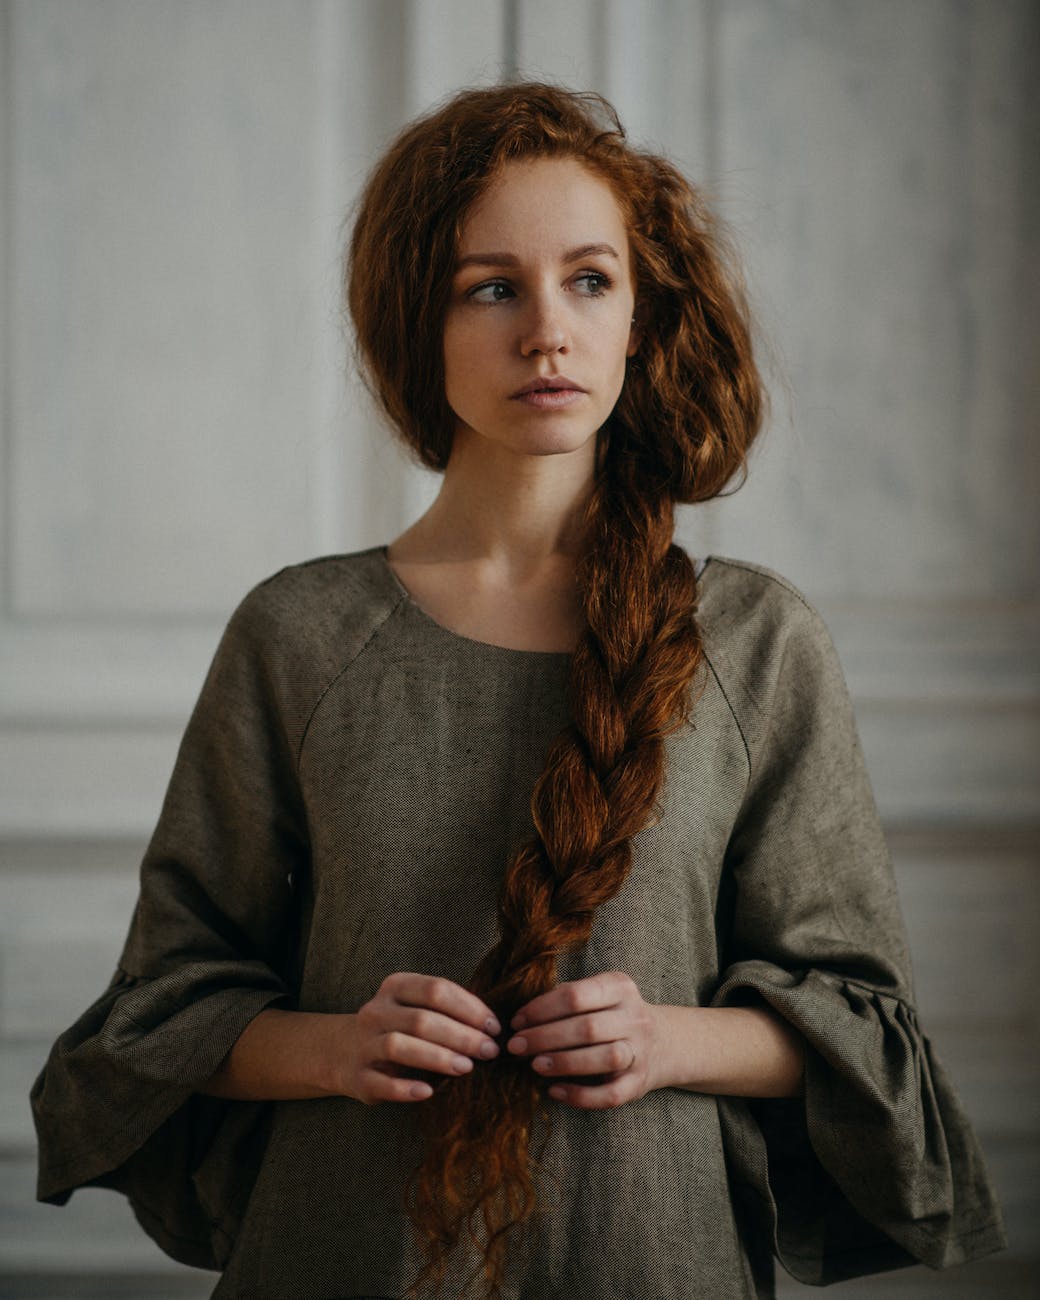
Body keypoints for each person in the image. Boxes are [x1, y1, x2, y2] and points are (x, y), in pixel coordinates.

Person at [31, 82, 1006, 1300]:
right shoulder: (298, 634)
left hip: (652, 1259)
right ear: (415, 327)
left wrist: (665, 1038)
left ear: (640, 318)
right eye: (489, 287)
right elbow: (155, 1017)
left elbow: (865, 1029)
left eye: (588, 280)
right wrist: (335, 1047)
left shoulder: (757, 642)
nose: (546, 330)